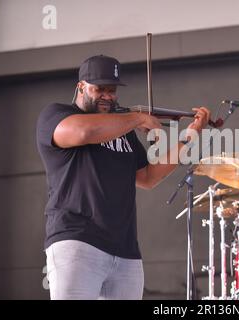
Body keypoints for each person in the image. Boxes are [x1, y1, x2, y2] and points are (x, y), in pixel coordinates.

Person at [36, 55, 211, 300]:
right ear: (81, 86)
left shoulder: (123, 131)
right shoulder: (56, 114)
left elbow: (148, 177)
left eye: (112, 90)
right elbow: (85, 131)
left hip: (125, 251)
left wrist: (190, 136)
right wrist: (138, 118)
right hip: (77, 241)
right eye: (100, 89)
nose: (108, 96)